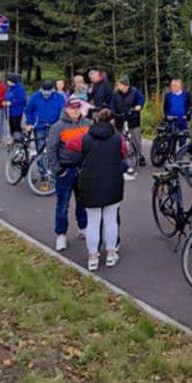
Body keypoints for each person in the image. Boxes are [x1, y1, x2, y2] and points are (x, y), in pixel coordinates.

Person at [76, 108, 129, 271]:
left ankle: (93, 256)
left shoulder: (85, 137)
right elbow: (124, 155)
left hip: (90, 182)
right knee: (111, 219)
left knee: (92, 221)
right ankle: (111, 253)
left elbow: (78, 152)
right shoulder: (117, 138)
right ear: (112, 121)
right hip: (112, 181)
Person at [46, 95, 91, 251]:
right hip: (66, 169)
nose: (76, 111)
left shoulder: (87, 124)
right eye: (72, 108)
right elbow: (51, 150)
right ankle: (61, 234)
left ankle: (83, 227)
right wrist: (58, 169)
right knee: (63, 204)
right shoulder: (58, 127)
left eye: (78, 108)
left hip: (83, 168)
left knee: (83, 201)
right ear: (66, 109)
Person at [111, 75, 145, 170]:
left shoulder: (135, 92)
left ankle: (139, 155)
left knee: (136, 137)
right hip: (119, 117)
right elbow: (112, 105)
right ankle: (119, 156)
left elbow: (141, 99)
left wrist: (139, 105)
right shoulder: (115, 94)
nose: (117, 86)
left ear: (125, 85)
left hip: (132, 117)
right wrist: (113, 114)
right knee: (119, 137)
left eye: (119, 84)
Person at [25, 80, 63, 155]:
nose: (46, 95)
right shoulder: (35, 97)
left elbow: (63, 112)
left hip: (54, 127)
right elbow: (28, 111)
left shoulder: (59, 98)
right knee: (40, 149)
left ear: (53, 90)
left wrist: (60, 124)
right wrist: (30, 123)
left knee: (53, 149)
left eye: (48, 93)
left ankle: (51, 166)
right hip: (39, 126)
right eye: (44, 93)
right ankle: (41, 166)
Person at [3, 73, 27, 137]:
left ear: (12, 81)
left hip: (17, 111)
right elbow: (6, 96)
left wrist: (12, 103)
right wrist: (4, 101)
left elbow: (22, 99)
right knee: (11, 125)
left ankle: (19, 139)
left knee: (16, 126)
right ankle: (13, 138)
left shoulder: (20, 89)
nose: (7, 82)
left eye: (8, 81)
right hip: (9, 111)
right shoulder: (9, 89)